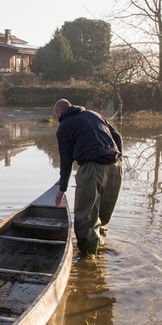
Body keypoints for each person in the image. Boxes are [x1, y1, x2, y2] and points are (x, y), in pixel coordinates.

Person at [54, 99, 123, 255]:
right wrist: (120, 158)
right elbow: (117, 137)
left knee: (85, 217)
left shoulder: (64, 127)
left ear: (59, 112)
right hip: (115, 166)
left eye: (55, 115)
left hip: (92, 168)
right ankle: (100, 245)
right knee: (103, 213)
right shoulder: (94, 115)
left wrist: (62, 189)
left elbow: (66, 161)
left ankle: (88, 259)